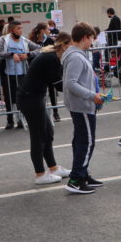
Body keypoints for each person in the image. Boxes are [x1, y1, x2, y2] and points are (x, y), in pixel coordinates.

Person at [17, 32, 73, 185]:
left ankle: (53, 168)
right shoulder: (51, 58)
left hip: (35, 97)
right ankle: (40, 174)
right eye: (71, 47)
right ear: (64, 45)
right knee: (39, 136)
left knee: (48, 133)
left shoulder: (53, 56)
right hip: (30, 99)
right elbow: (59, 85)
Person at [62, 22, 106, 195]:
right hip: (82, 105)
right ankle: (76, 179)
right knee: (86, 142)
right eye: (91, 39)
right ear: (84, 38)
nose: (92, 43)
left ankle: (83, 173)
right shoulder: (75, 57)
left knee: (81, 140)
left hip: (82, 104)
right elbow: (70, 84)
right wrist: (91, 95)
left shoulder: (76, 55)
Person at [0, 21, 39, 130]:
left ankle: (21, 119)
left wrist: (28, 55)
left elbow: (39, 49)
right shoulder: (4, 39)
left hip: (22, 74)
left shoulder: (24, 40)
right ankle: (10, 120)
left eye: (21, 28)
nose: (21, 30)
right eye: (18, 28)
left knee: (21, 98)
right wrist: (12, 54)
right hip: (8, 74)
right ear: (12, 30)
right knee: (9, 99)